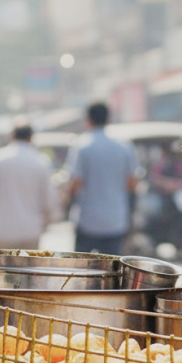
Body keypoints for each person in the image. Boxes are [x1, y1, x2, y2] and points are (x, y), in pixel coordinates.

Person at [67, 103, 139, 255]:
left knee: (81, 266)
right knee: (111, 267)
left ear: (88, 119)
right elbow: (132, 183)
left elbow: (75, 183)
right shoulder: (124, 146)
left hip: (88, 219)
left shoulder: (82, 146)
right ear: (108, 119)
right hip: (116, 220)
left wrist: (67, 205)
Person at [0, 122, 60, 250]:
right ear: (30, 138)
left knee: (5, 263)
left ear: (12, 136)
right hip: (31, 229)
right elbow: (49, 201)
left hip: (4, 229)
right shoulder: (40, 161)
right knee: (28, 263)